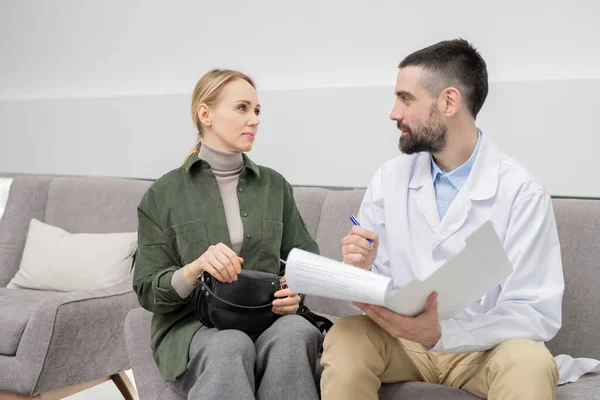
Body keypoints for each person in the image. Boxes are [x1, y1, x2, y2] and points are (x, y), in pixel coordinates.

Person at [320, 39, 566, 399]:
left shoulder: (522, 192)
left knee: (532, 362)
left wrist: (442, 334)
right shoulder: (389, 179)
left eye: (405, 99)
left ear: (449, 101)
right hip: (404, 345)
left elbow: (534, 312)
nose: (394, 113)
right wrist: (362, 269)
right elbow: (376, 293)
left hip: (483, 349)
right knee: (346, 336)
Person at [133, 69, 322, 400]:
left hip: (267, 320)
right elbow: (148, 289)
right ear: (205, 114)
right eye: (242, 108)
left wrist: (295, 291)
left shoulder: (274, 186)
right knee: (230, 344)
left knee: (297, 332)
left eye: (257, 110)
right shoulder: (163, 194)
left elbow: (304, 259)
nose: (254, 120)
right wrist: (194, 269)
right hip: (194, 328)